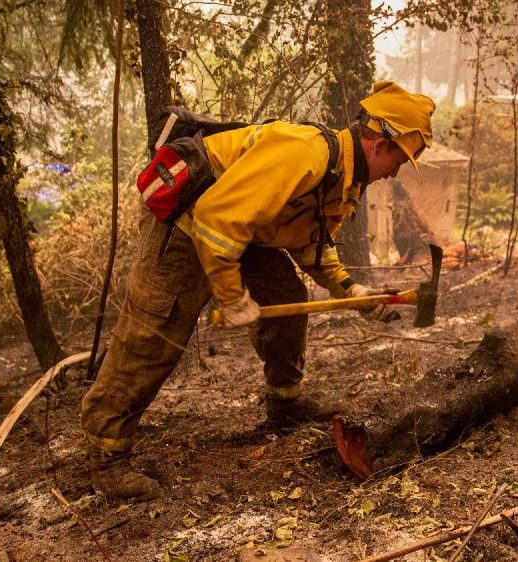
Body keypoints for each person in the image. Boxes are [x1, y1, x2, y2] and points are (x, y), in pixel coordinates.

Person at [80, 81, 434, 502]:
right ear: (378, 142)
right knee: (154, 334)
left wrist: (353, 291)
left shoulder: (345, 180)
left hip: (237, 234)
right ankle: (107, 455)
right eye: (399, 158)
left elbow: (311, 245)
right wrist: (232, 297)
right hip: (190, 223)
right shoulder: (304, 153)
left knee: (285, 298)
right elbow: (216, 220)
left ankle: (285, 404)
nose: (396, 171)